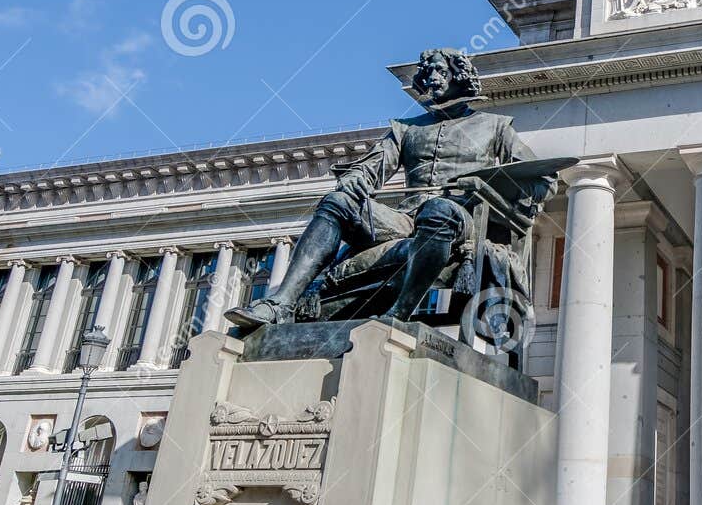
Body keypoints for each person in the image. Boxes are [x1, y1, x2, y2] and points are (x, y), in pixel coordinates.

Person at [225, 48, 542, 329]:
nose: (432, 78)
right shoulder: (406, 129)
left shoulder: (496, 126)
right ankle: (281, 303)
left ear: (459, 77)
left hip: (463, 220)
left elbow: (540, 179)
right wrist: (353, 180)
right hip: (404, 219)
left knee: (439, 210)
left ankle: (399, 314)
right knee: (337, 201)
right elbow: (371, 168)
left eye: (440, 71)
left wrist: (500, 190)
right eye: (427, 72)